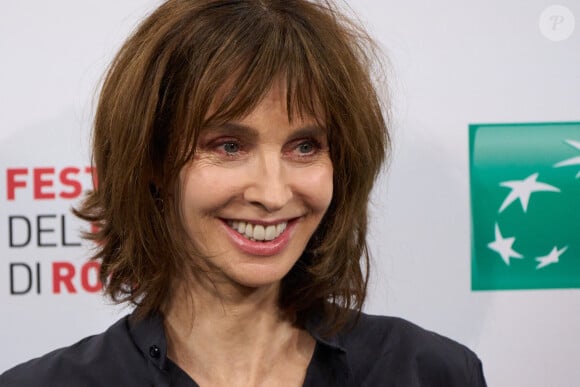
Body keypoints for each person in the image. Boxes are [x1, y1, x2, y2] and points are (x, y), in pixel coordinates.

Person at [0, 0, 486, 386]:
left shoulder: (430, 372)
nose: (273, 194)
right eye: (229, 146)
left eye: (305, 146)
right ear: (151, 161)